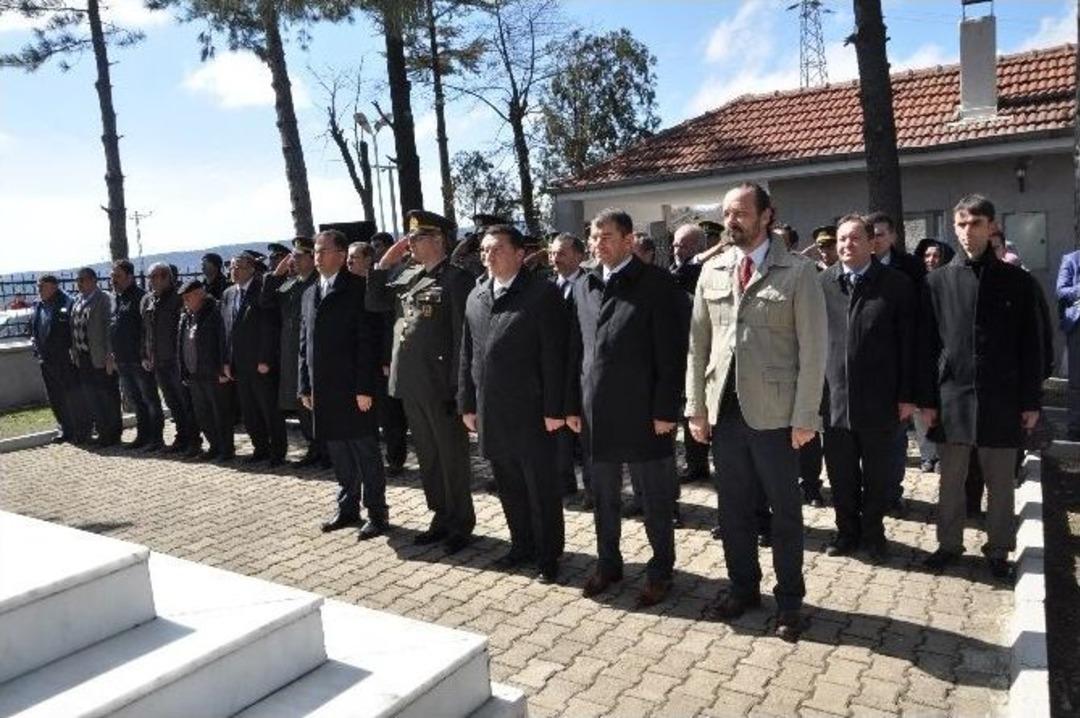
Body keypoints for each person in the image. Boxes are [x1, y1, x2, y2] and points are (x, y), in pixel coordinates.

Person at [686, 183, 826, 641]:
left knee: (785, 514)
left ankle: (789, 603)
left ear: (767, 216)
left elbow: (814, 349)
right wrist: (696, 408)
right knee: (733, 511)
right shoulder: (713, 271)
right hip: (724, 412)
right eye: (727, 213)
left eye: (741, 212)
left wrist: (806, 415)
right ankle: (742, 588)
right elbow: (698, 346)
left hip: (778, 417)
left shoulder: (799, 272)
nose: (731, 221)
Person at [918, 194, 1043, 581]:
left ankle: (999, 548)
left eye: (974, 224)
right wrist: (927, 399)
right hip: (951, 396)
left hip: (1002, 397)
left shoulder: (1018, 283)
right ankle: (949, 544)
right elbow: (926, 345)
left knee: (1000, 481)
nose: (966, 232)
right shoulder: (937, 282)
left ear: (992, 227)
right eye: (960, 224)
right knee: (951, 480)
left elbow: (1031, 345)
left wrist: (1031, 401)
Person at [566, 208, 685, 608]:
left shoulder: (657, 285)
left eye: (607, 237)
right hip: (595, 413)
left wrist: (667, 410)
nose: (598, 244)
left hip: (645, 414)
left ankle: (661, 571)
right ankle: (608, 563)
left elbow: (672, 356)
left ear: (629, 240)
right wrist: (571, 405)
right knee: (603, 498)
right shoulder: (585, 284)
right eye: (594, 237)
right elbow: (577, 352)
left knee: (653, 500)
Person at [459, 224, 568, 582]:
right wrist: (466, 402)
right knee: (508, 485)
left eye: (498, 249)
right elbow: (468, 353)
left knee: (541, 489)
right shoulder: (477, 295)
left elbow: (556, 356)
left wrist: (555, 409)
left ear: (520, 254)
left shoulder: (541, 294)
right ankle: (521, 545)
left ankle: (548, 556)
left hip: (533, 412)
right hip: (491, 409)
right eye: (485, 250)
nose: (488, 256)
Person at [367, 209, 476, 553]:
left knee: (451, 457)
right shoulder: (408, 275)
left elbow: (462, 339)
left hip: (440, 385)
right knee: (429, 456)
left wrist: (459, 390)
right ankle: (440, 515)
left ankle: (461, 521)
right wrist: (384, 262)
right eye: (410, 238)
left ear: (438, 240)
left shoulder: (457, 280)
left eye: (416, 238)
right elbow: (375, 302)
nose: (410, 243)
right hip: (412, 383)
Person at [820, 214, 916, 563]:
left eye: (854, 238)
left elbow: (910, 345)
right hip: (835, 401)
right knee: (841, 475)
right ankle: (846, 532)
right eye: (841, 239)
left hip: (881, 401)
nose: (846, 245)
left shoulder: (896, 285)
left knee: (877, 477)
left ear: (871, 242)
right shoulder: (823, 284)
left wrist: (908, 395)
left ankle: (874, 537)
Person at [300, 229, 388, 539]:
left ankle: (377, 513)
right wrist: (305, 386)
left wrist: (365, 387)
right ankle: (348, 507)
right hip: (324, 390)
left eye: (323, 251)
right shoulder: (310, 292)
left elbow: (367, 342)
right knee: (339, 452)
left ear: (340, 254)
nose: (317, 256)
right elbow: (304, 344)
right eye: (315, 251)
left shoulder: (357, 289)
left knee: (365, 452)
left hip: (353, 389)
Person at [262, 237, 322, 467]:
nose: (292, 260)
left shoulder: (317, 283)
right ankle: (314, 447)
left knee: (315, 403)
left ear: (311, 258)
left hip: (310, 353)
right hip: (290, 353)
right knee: (301, 403)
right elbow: (266, 302)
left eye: (298, 256)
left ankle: (324, 449)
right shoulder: (292, 283)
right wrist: (276, 275)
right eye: (292, 257)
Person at [222, 253, 286, 466]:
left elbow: (270, 327)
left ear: (251, 269)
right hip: (239, 364)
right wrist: (226, 361)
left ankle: (277, 452)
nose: (234, 271)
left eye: (239, 266)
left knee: (269, 410)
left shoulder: (261, 290)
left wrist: (266, 358)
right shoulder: (229, 294)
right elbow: (227, 331)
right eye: (232, 267)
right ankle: (260, 448)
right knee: (249, 411)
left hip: (260, 363)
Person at [548, 232, 590, 504]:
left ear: (579, 255)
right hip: (555, 372)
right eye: (552, 254)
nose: (555, 259)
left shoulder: (591, 285)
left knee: (586, 435)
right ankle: (563, 483)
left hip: (583, 371)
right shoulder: (547, 287)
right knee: (558, 435)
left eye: (561, 253)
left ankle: (593, 489)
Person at [361, 234, 408, 475]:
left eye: (379, 246)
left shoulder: (403, 273)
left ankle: (397, 458)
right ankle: (394, 458)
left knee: (397, 413)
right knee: (390, 414)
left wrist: (386, 358)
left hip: (401, 355)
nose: (376, 250)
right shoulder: (380, 275)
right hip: (385, 357)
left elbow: (391, 322)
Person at [109, 259, 164, 451]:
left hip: (139, 360)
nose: (113, 279)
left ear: (130, 277)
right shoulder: (117, 298)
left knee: (149, 399)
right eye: (112, 276)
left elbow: (146, 330)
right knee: (136, 401)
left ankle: (156, 438)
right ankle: (143, 436)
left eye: (118, 276)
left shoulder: (141, 297)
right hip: (123, 360)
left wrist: (146, 355)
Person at [671, 224, 710, 486]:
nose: (677, 250)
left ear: (698, 247)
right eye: (674, 244)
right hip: (684, 352)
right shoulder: (674, 272)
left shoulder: (706, 269)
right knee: (690, 410)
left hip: (709, 352)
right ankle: (697, 465)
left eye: (683, 245)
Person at [141, 262, 195, 453]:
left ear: (165, 277)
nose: (150, 282)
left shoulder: (178, 297)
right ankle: (181, 438)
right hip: (158, 361)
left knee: (185, 402)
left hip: (176, 361)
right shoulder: (148, 300)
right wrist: (145, 354)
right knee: (172, 403)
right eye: (149, 278)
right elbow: (145, 331)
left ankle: (192, 441)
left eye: (154, 277)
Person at [177, 280, 231, 460]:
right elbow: (181, 344)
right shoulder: (186, 316)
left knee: (220, 413)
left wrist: (223, 368)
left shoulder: (215, 312)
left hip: (213, 373)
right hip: (194, 373)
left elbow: (223, 341)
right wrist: (183, 371)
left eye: (188, 297)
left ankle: (226, 449)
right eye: (183, 298)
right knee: (203, 415)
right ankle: (214, 446)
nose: (185, 301)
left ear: (200, 294)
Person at [31, 274, 86, 444]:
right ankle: (65, 429)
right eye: (38, 286)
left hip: (65, 358)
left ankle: (81, 431)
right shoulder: (39, 304)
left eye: (42, 286)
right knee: (55, 397)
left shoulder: (68, 302)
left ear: (54, 287)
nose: (39, 289)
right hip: (45, 359)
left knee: (72, 396)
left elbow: (74, 330)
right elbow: (36, 329)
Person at [70, 267, 122, 447]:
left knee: (107, 396)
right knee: (92, 396)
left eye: (82, 280)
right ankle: (102, 432)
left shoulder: (104, 299)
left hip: (101, 357)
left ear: (93, 280)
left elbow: (110, 329)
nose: (79, 283)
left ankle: (113, 434)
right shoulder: (78, 300)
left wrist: (110, 355)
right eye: (78, 280)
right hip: (84, 357)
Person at [1058, 248, 1080, 441]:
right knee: (1076, 381)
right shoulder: (1071, 259)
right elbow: (1061, 290)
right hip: (1078, 325)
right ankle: (1075, 426)